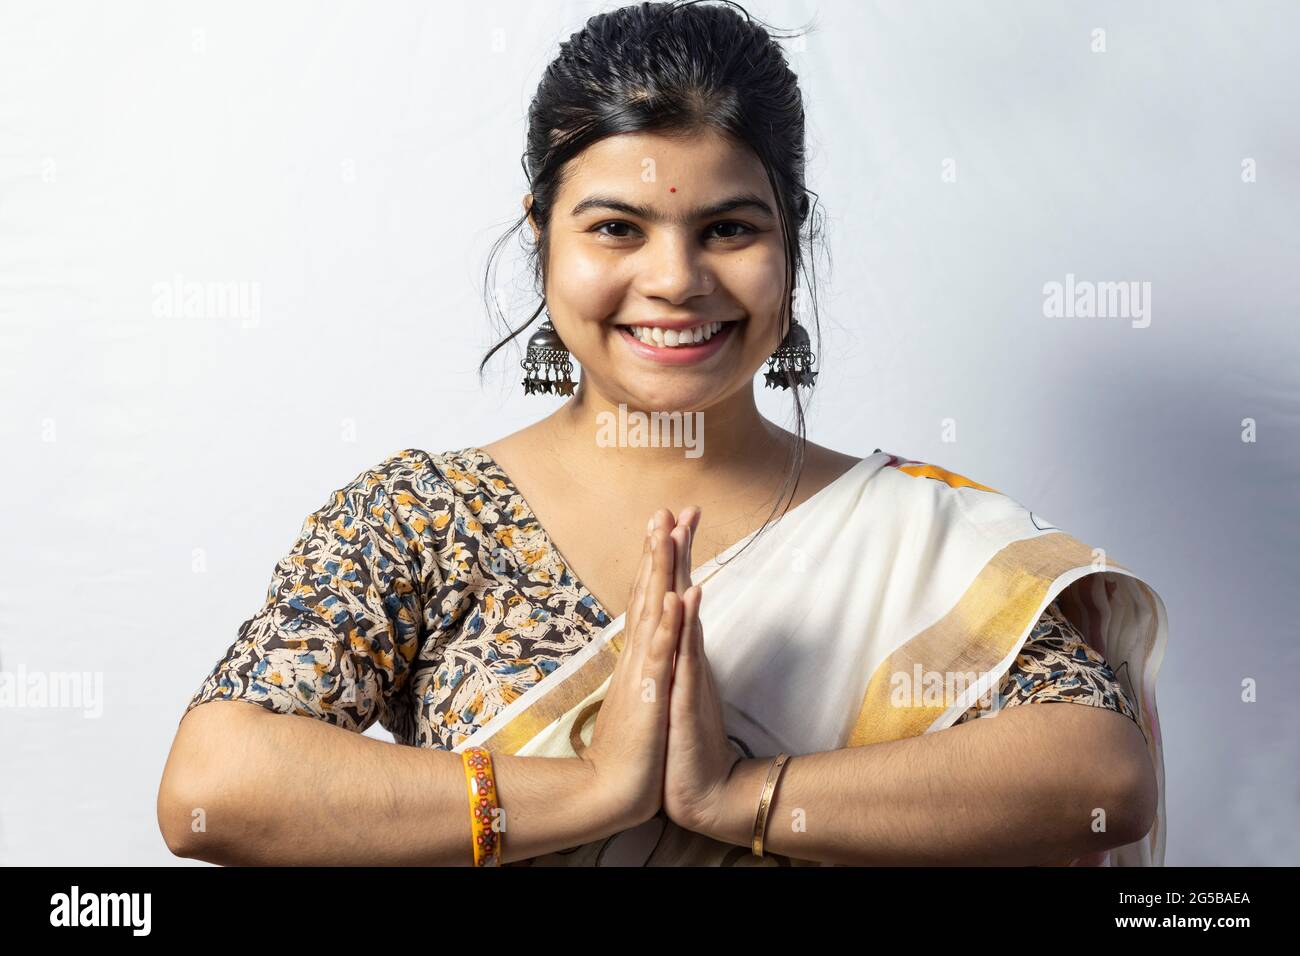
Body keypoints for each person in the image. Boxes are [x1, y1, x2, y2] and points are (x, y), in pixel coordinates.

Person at [157, 0, 1166, 867]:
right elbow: (218, 781)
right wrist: (594, 791)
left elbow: (1100, 771)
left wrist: (744, 795)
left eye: (729, 228)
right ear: (540, 234)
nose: (676, 279)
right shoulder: (424, 514)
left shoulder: (916, 532)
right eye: (616, 228)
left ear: (790, 239)